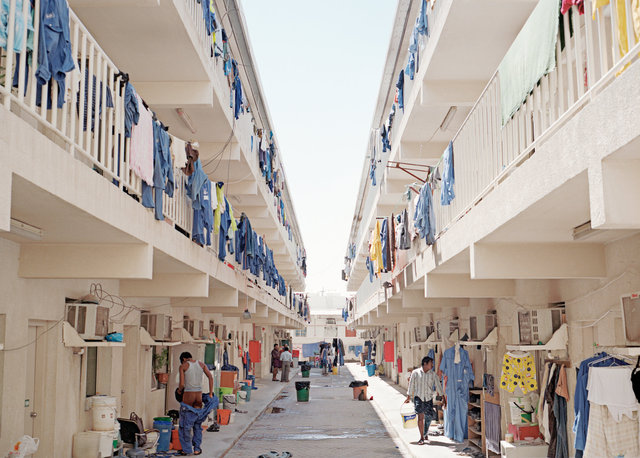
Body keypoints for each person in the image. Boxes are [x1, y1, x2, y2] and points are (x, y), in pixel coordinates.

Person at [177, 352, 216, 455]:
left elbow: (181, 384)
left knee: (185, 425)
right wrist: (211, 393)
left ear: (184, 359)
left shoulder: (183, 366)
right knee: (197, 424)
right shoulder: (201, 364)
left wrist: (179, 391)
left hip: (188, 397)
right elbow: (210, 377)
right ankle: (197, 449)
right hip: (198, 396)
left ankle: (187, 450)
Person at [405, 356, 445, 445]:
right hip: (418, 397)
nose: (432, 365)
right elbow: (411, 384)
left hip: (428, 398)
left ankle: (425, 431)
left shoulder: (433, 374)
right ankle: (422, 437)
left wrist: (443, 397)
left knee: (429, 416)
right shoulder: (415, 373)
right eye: (431, 363)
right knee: (420, 417)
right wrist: (408, 396)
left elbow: (438, 385)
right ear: (425, 364)